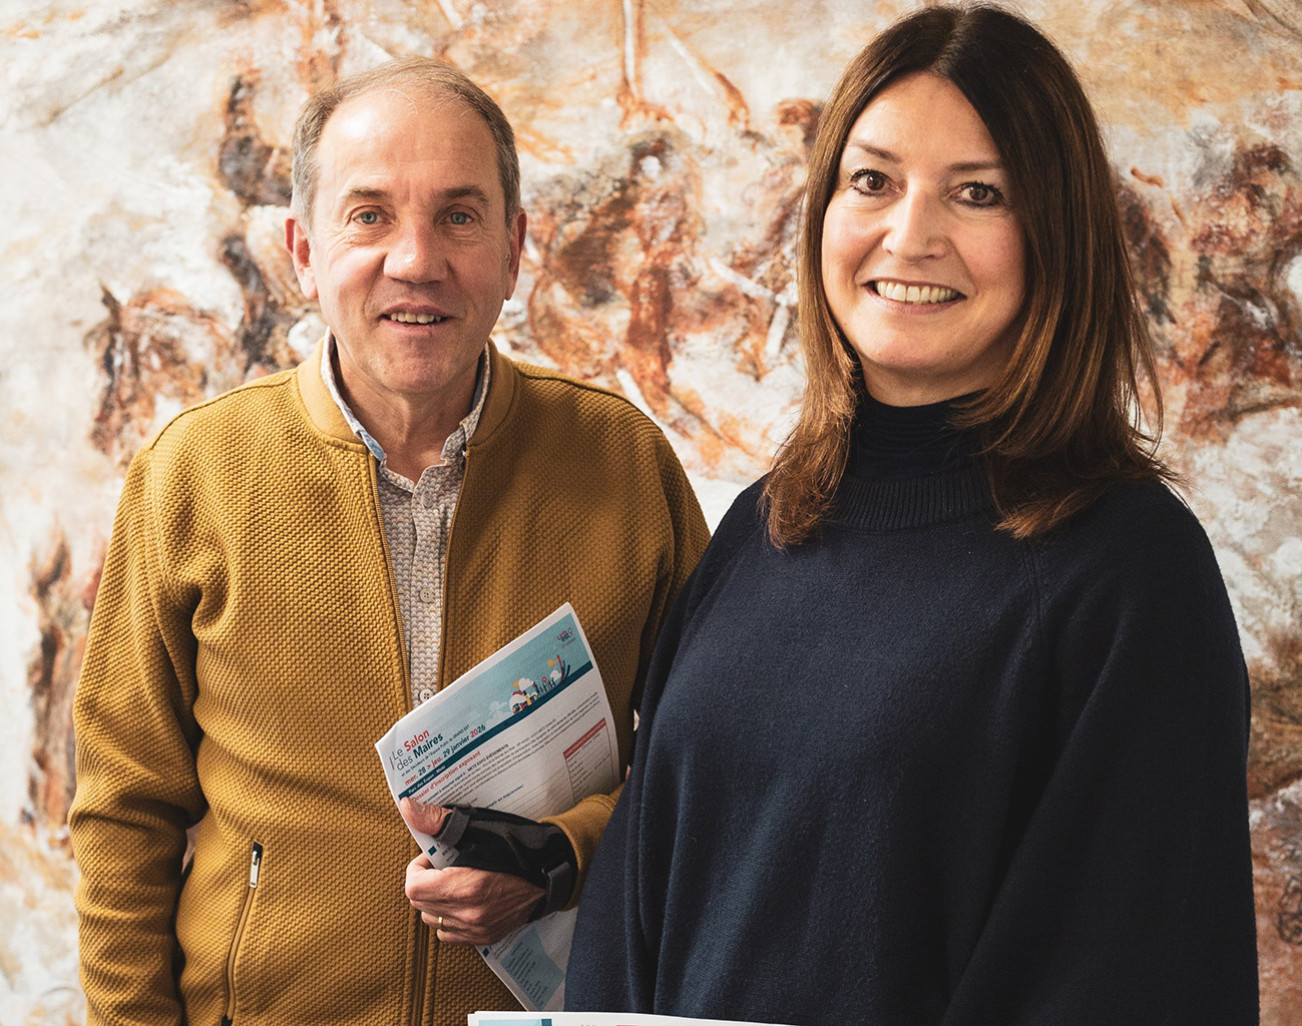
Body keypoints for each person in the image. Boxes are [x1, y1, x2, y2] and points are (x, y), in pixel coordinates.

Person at [566, 6, 1259, 1024]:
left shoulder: (1128, 574)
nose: (910, 235)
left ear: (1052, 236)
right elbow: (634, 918)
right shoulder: (766, 528)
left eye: (977, 193)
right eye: (873, 181)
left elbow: (1132, 976)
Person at [69, 57, 708, 1026]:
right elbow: (123, 811)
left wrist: (561, 856)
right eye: (369, 215)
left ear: (515, 245)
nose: (417, 259)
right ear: (302, 251)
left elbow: (710, 767)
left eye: (460, 215)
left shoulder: (624, 468)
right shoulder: (190, 475)